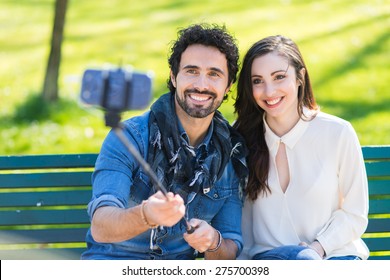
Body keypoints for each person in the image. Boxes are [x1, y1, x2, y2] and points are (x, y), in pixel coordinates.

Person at [81, 23, 247, 260]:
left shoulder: (229, 151)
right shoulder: (130, 136)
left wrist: (212, 241)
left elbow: (230, 247)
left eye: (214, 74)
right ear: (173, 77)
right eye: (191, 71)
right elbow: (101, 226)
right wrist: (146, 215)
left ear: (228, 85)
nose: (201, 84)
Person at [234, 35, 369, 260]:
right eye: (257, 81)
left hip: (334, 257)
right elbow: (241, 220)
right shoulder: (240, 138)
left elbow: (355, 214)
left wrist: (317, 248)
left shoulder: (338, 132)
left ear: (300, 78)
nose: (269, 91)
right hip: (271, 261)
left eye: (279, 77)